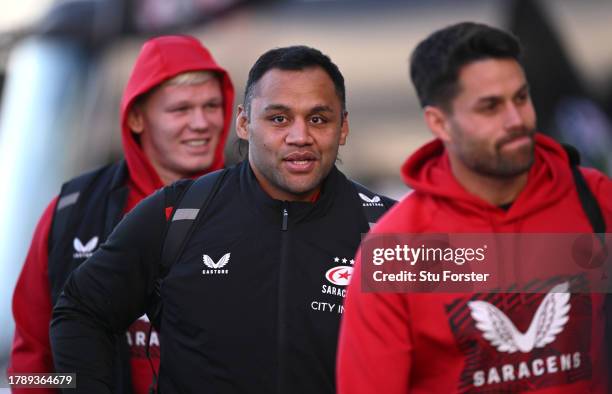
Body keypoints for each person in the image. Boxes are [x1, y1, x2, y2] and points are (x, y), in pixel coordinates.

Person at [49, 45, 394, 393]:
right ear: (243, 123)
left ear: (344, 127)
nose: (300, 136)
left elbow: (445, 344)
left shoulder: (393, 228)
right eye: (279, 118)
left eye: (318, 119)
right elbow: (80, 311)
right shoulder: (176, 213)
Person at [337, 22, 612, 393]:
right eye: (490, 107)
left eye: (521, 98)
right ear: (440, 123)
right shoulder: (397, 251)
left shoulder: (595, 200)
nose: (516, 120)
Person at [9, 35, 235, 394]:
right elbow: (29, 362)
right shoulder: (72, 210)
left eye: (212, 106)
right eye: (180, 110)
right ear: (135, 118)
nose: (201, 123)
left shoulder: (252, 203)